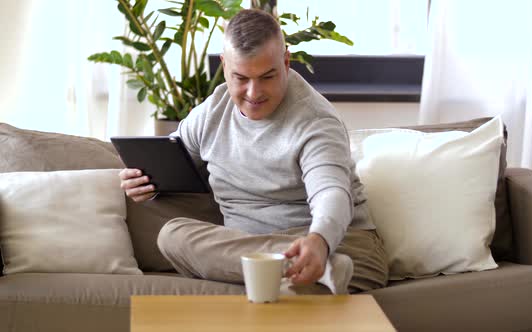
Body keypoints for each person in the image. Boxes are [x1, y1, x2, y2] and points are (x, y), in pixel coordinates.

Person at [119, 9, 387, 294]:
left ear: (286, 61)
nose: (253, 93)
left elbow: (330, 193)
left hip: (337, 245)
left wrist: (320, 241)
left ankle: (305, 269)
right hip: (246, 247)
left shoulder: (315, 120)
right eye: (241, 78)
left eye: (267, 76)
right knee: (173, 236)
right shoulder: (212, 112)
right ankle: (294, 274)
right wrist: (144, 180)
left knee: (293, 280)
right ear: (224, 66)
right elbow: (171, 157)